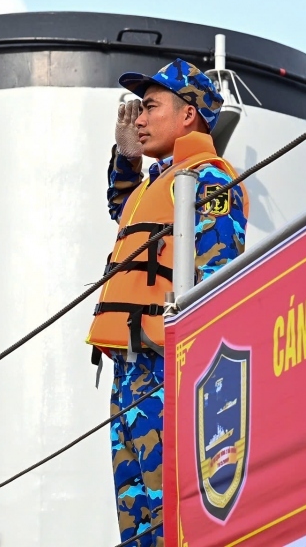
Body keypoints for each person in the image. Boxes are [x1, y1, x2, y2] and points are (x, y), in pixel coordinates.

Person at [87, 58, 248, 547]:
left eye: (150, 107)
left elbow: (219, 273)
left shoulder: (209, 181)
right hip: (130, 368)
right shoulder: (160, 183)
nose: (138, 118)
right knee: (136, 516)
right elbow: (126, 209)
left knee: (170, 509)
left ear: (188, 115)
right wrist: (125, 157)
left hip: (167, 365)